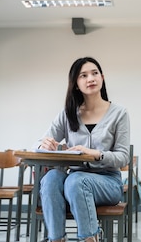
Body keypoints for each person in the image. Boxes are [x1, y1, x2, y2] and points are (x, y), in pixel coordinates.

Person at [35, 57, 130, 242]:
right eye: (83, 75)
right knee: (51, 178)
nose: (91, 78)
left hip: (108, 182)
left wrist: (96, 154)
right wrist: (42, 144)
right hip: (74, 180)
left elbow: (123, 157)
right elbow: (38, 143)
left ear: (102, 78)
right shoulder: (68, 113)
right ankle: (56, 239)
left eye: (95, 73)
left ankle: (90, 238)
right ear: (76, 84)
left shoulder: (119, 113)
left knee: (76, 180)